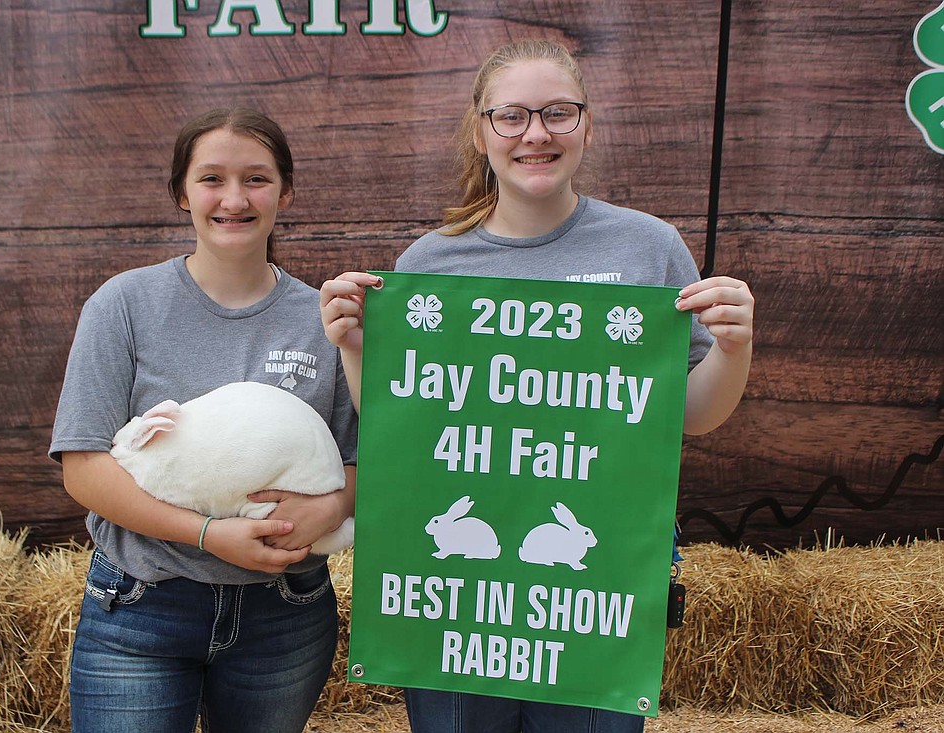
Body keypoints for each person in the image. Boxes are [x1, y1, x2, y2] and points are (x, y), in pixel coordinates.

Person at [319, 39, 754, 733]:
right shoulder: (429, 263)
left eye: (558, 112)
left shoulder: (647, 246)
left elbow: (693, 416)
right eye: (512, 116)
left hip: (594, 593)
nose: (537, 133)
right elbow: (405, 425)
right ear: (480, 130)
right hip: (462, 606)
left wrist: (733, 346)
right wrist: (355, 346)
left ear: (588, 125)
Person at [49, 106, 358, 733]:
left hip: (285, 614)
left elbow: (360, 465)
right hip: (143, 604)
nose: (234, 199)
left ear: (285, 191)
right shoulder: (123, 305)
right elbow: (84, 469)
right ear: (181, 193)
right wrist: (207, 534)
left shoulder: (325, 319)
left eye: (257, 179)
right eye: (212, 179)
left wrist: (331, 509)